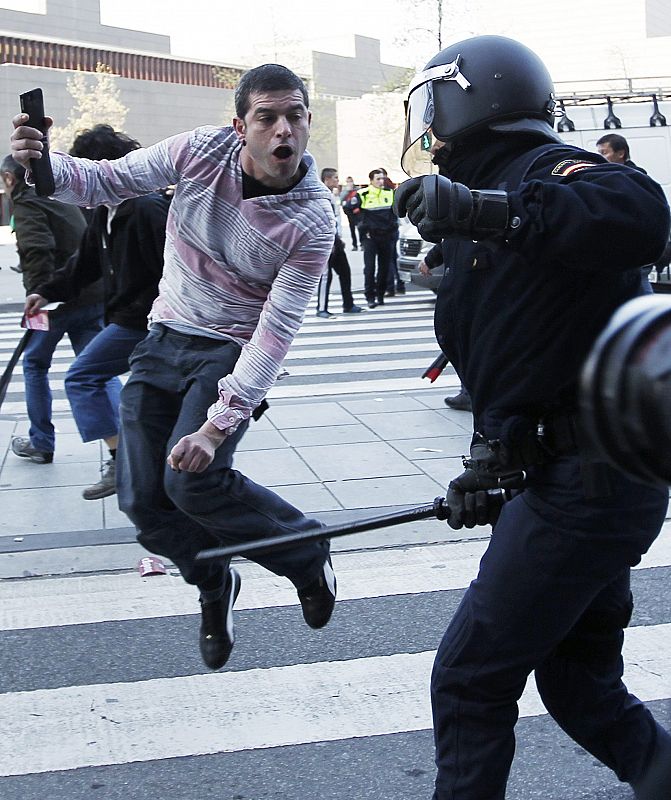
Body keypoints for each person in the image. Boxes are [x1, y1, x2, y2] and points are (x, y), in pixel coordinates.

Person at [396, 35, 671, 800]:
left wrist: (494, 211)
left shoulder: (547, 173)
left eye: (432, 107)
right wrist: (487, 462)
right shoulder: (478, 208)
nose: (429, 130)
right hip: (570, 478)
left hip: (593, 482)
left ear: (466, 98)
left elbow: (638, 212)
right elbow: (517, 358)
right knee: (579, 685)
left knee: (466, 680)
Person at [11, 63, 338, 671]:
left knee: (192, 481)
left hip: (230, 350)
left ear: (308, 122)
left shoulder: (313, 218)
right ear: (240, 125)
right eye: (266, 117)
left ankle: (304, 552)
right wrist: (43, 164)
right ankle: (215, 585)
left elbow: (276, 331)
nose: (282, 131)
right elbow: (108, 180)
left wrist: (218, 424)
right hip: (162, 338)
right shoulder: (199, 152)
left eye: (294, 116)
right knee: (143, 503)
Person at [24, 125, 170, 500]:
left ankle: (122, 460)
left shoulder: (145, 207)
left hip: (145, 320)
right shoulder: (106, 210)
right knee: (141, 400)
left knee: (83, 377)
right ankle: (143, 465)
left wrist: (159, 320)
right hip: (126, 315)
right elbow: (83, 265)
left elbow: (171, 267)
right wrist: (44, 292)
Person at [0, 155, 110, 465]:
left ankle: (41, 442)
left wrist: (38, 294)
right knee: (95, 368)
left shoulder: (26, 201)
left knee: (35, 364)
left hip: (57, 299)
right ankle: (121, 440)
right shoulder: (57, 196)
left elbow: (38, 249)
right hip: (88, 293)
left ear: (10, 179)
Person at [315, 168, 363, 317]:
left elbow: (335, 219)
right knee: (326, 275)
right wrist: (326, 241)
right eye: (335, 178)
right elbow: (322, 220)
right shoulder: (320, 194)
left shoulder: (331, 195)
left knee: (344, 271)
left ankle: (348, 304)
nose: (337, 181)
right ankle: (321, 308)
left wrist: (338, 238)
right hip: (325, 240)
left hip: (335, 238)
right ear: (327, 179)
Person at [357, 169, 396, 307]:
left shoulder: (390, 193)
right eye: (378, 179)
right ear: (371, 180)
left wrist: (393, 226)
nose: (381, 181)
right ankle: (370, 296)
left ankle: (380, 294)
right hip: (370, 237)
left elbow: (395, 212)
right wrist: (363, 227)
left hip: (386, 236)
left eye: (383, 179)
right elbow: (352, 210)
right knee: (370, 267)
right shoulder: (363, 194)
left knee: (384, 267)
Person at [378, 167, 406, 297]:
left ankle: (391, 287)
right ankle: (399, 285)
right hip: (393, 229)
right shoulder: (391, 190)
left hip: (389, 231)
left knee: (389, 260)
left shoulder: (387, 192)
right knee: (393, 259)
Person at [339, 176, 360, 250]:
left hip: (358, 212)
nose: (349, 183)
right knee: (352, 229)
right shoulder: (344, 191)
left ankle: (362, 243)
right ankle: (355, 245)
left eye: (350, 181)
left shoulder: (357, 190)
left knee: (360, 228)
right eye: (348, 182)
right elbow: (341, 201)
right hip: (349, 213)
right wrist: (346, 192)